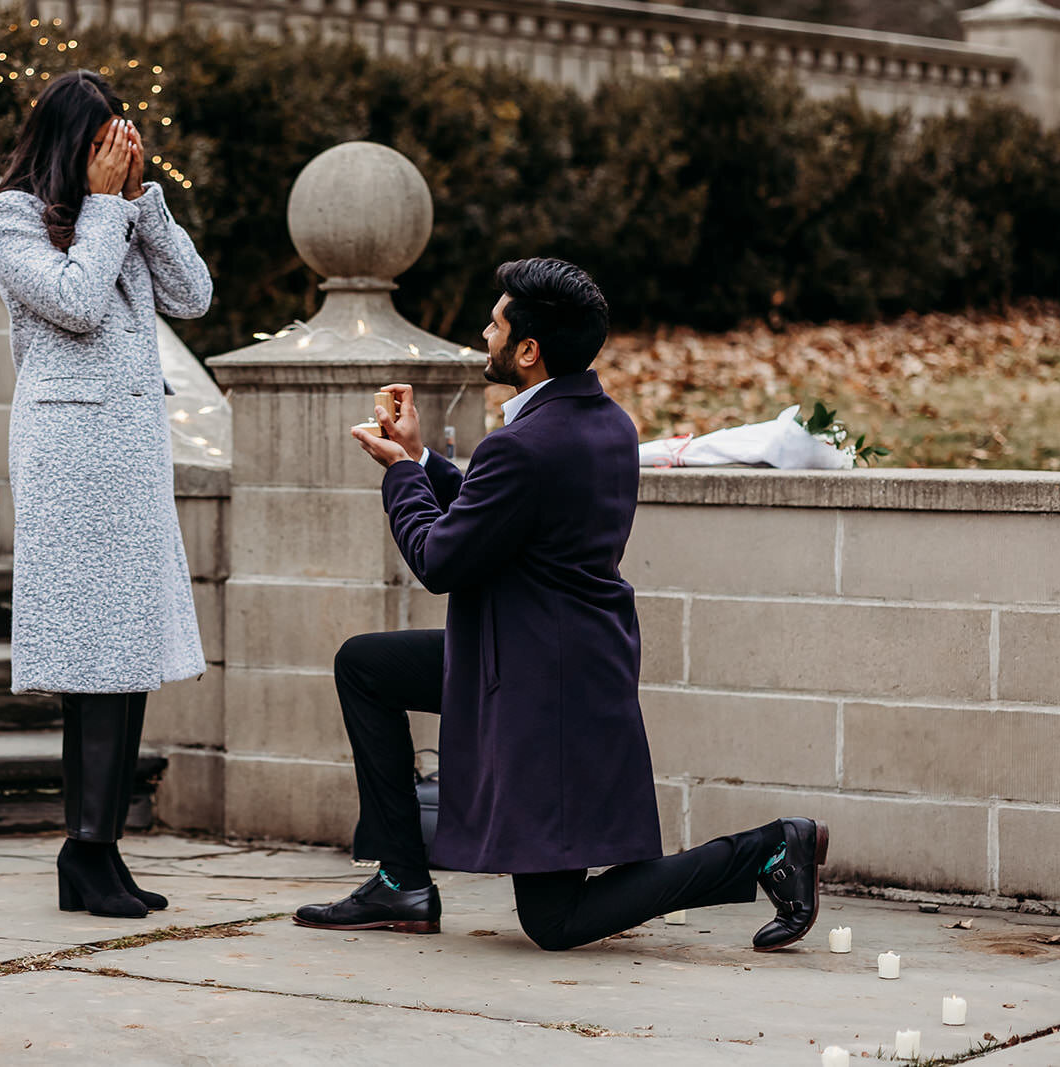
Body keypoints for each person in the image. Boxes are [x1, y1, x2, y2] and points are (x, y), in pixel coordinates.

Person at [294, 258, 827, 952]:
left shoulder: (525, 444)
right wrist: (423, 460)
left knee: (556, 921)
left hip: (541, 690)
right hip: (545, 658)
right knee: (366, 665)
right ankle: (401, 878)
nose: (484, 331)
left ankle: (765, 849)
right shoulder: (603, 424)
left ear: (527, 349)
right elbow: (501, 513)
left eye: (495, 322)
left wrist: (398, 475)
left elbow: (440, 559)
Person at [0, 71, 212, 918]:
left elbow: (194, 296)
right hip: (70, 454)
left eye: (127, 137)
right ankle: (87, 849)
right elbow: (75, 305)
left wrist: (143, 202)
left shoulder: (121, 211)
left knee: (123, 655)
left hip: (132, 454)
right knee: (95, 654)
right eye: (104, 138)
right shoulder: (10, 218)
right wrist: (107, 208)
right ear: (69, 141)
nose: (117, 151)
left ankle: (97, 851)